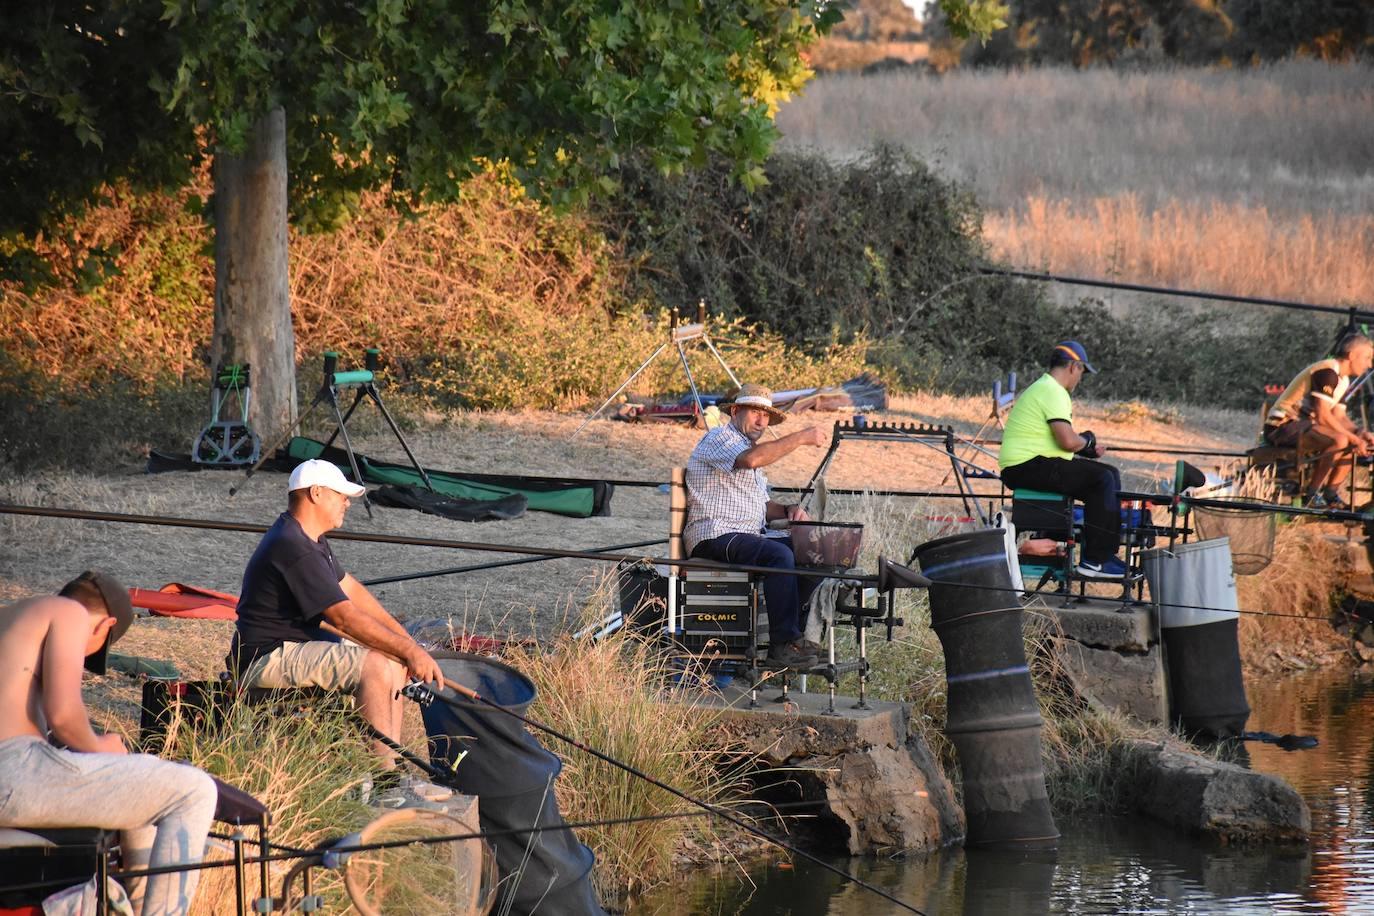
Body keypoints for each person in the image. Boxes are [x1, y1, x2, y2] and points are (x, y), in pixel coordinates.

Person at [228, 459, 448, 804]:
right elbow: (344, 618)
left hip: (292, 650)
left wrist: (405, 646)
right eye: (341, 494)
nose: (347, 502)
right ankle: (385, 785)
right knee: (374, 665)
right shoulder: (291, 545)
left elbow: (352, 591)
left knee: (391, 661)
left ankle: (392, 772)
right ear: (316, 493)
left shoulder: (309, 539)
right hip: (265, 658)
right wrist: (409, 650)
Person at [0, 571, 217, 916]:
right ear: (106, 625)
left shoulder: (12, 618)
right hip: (13, 770)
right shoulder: (70, 613)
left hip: (16, 775)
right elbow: (64, 717)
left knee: (142, 788)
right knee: (195, 790)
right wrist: (103, 747)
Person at [683, 384, 829, 670]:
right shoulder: (719, 438)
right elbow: (750, 461)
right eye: (755, 413)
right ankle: (781, 644)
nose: (762, 422)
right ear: (736, 411)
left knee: (815, 549)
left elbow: (764, 506)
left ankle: (795, 638)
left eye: (767, 416)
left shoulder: (750, 450)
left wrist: (788, 510)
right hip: (714, 534)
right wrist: (801, 437)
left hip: (745, 536)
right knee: (778, 555)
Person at [999, 341, 1127, 579]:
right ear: (1073, 366)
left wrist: (1087, 448)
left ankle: (1104, 557)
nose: (1079, 378)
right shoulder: (1053, 391)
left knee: (1110, 474)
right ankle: (1095, 561)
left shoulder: (1044, 388)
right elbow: (1067, 441)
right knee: (1102, 479)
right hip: (1025, 466)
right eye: (1082, 372)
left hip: (1029, 464)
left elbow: (1059, 442)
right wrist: (1086, 441)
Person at [1262, 334, 1374, 509]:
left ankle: (1330, 493)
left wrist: (1360, 433)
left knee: (1350, 440)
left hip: (1305, 425)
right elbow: (1322, 415)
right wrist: (1352, 437)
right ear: (1352, 355)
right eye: (1367, 358)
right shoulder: (1327, 372)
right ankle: (1312, 494)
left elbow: (1339, 417)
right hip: (1282, 425)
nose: (1369, 364)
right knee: (1340, 439)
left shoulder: (1342, 379)